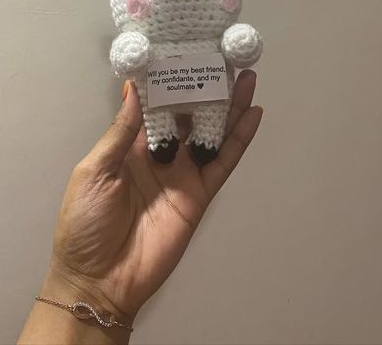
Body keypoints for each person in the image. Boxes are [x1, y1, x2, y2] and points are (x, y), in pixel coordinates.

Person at [18, 70, 263, 345]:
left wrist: (82, 285)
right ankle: (166, 138)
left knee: (208, 111)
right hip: (176, 87)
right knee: (160, 110)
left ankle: (201, 137)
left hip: (200, 83)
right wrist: (84, 283)